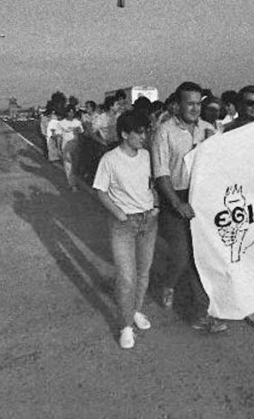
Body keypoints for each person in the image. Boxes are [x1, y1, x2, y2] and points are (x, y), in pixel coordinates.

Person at [150, 81, 227, 333]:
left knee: (201, 257)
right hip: (175, 196)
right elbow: (161, 174)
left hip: (202, 198)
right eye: (190, 103)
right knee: (182, 256)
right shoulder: (164, 131)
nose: (194, 108)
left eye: (198, 103)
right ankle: (168, 283)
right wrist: (176, 203)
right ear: (178, 105)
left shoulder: (207, 129)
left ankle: (200, 314)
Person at [93, 110, 159, 350]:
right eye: (139, 132)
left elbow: (151, 184)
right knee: (126, 278)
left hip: (149, 221)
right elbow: (100, 190)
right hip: (123, 224)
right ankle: (125, 326)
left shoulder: (146, 156)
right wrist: (119, 214)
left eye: (145, 131)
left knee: (144, 272)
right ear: (124, 134)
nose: (144, 136)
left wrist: (156, 206)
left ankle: (136, 311)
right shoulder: (109, 160)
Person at [60, 108, 84, 190]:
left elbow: (81, 132)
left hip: (75, 145)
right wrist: (59, 147)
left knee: (75, 165)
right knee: (68, 165)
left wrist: (78, 129)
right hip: (66, 146)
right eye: (69, 111)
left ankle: (75, 181)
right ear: (66, 112)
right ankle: (72, 184)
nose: (71, 113)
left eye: (73, 112)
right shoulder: (61, 123)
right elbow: (59, 136)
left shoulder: (77, 122)